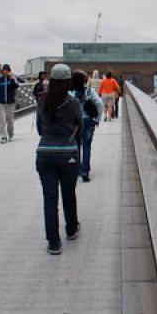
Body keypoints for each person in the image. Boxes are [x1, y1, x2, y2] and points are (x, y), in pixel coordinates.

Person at [35, 63, 83, 255]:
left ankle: (54, 243)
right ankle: (71, 229)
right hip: (67, 154)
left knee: (49, 198)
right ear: (68, 82)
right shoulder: (73, 103)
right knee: (68, 193)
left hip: (44, 153)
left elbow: (40, 129)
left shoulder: (42, 101)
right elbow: (79, 125)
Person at [71, 70, 103, 182]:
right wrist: (98, 119)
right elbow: (99, 103)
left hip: (74, 123)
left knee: (76, 146)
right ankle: (85, 172)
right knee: (86, 146)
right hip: (88, 121)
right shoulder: (89, 91)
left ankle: (77, 169)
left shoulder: (70, 93)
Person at [0, 64, 19, 144]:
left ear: (9, 71)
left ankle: (10, 133)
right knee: (2, 120)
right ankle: (3, 136)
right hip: (1, 103)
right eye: (4, 70)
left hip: (10, 103)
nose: (6, 71)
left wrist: (11, 79)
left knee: (10, 120)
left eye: (7, 70)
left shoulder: (12, 78)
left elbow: (16, 86)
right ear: (2, 70)